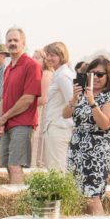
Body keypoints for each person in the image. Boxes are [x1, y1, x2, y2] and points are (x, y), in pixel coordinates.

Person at [64, 57, 110, 215]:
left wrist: (92, 102)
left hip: (97, 151)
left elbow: (105, 124)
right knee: (77, 194)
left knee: (92, 196)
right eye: (91, 73)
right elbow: (65, 114)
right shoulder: (82, 95)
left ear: (108, 76)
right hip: (77, 149)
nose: (95, 77)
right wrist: (75, 98)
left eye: (100, 74)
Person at [0, 28, 41, 185]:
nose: (12, 43)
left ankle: (18, 204)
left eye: (16, 40)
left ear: (23, 43)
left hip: (22, 123)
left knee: (15, 165)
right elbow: (4, 97)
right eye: (9, 41)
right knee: (8, 164)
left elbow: (28, 99)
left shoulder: (31, 65)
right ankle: (14, 199)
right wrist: (1, 121)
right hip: (8, 123)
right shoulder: (8, 68)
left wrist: (5, 117)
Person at [40, 42, 74, 171]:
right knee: (54, 167)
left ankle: (59, 192)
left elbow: (72, 101)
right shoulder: (59, 73)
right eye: (47, 55)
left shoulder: (63, 76)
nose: (49, 58)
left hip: (59, 126)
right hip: (54, 125)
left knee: (57, 168)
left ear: (62, 55)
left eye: (53, 55)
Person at [30, 49, 54, 167]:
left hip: (42, 111)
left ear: (45, 60)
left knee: (38, 140)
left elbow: (44, 99)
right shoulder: (39, 73)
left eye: (37, 57)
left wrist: (27, 104)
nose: (34, 60)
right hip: (37, 109)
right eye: (33, 57)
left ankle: (37, 165)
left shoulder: (46, 74)